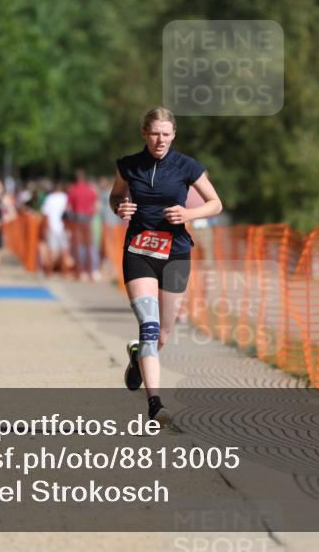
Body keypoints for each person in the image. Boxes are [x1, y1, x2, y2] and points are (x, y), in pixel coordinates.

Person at [110, 108, 222, 425]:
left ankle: (138, 358)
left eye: (166, 134)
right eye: (155, 133)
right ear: (144, 133)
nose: (161, 140)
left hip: (176, 253)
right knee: (149, 325)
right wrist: (120, 207)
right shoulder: (129, 165)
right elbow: (116, 195)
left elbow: (216, 203)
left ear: (174, 135)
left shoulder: (187, 166)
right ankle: (156, 405)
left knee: (162, 334)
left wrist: (188, 215)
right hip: (139, 251)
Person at [66, 169, 99, 281]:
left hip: (77, 220)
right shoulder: (90, 190)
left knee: (77, 246)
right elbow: (95, 207)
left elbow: (68, 208)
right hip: (88, 219)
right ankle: (91, 271)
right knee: (89, 246)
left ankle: (80, 272)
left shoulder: (73, 190)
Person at [40, 182, 69, 275]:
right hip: (63, 227)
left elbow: (45, 214)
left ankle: (50, 270)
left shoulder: (49, 198)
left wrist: (46, 227)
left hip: (52, 226)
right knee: (64, 250)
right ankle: (65, 271)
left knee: (53, 250)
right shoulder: (65, 197)